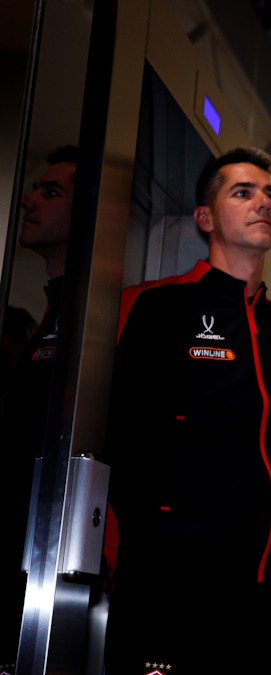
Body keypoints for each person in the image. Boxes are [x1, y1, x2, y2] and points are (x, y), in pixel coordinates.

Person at [103, 147, 271, 673]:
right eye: (243, 193)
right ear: (205, 217)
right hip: (169, 585)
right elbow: (118, 436)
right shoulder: (155, 306)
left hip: (266, 592)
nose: (264, 203)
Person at [0, 145, 77, 670]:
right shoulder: (53, 311)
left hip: (49, 555)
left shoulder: (95, 317)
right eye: (34, 189)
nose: (29, 200)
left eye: (51, 193)